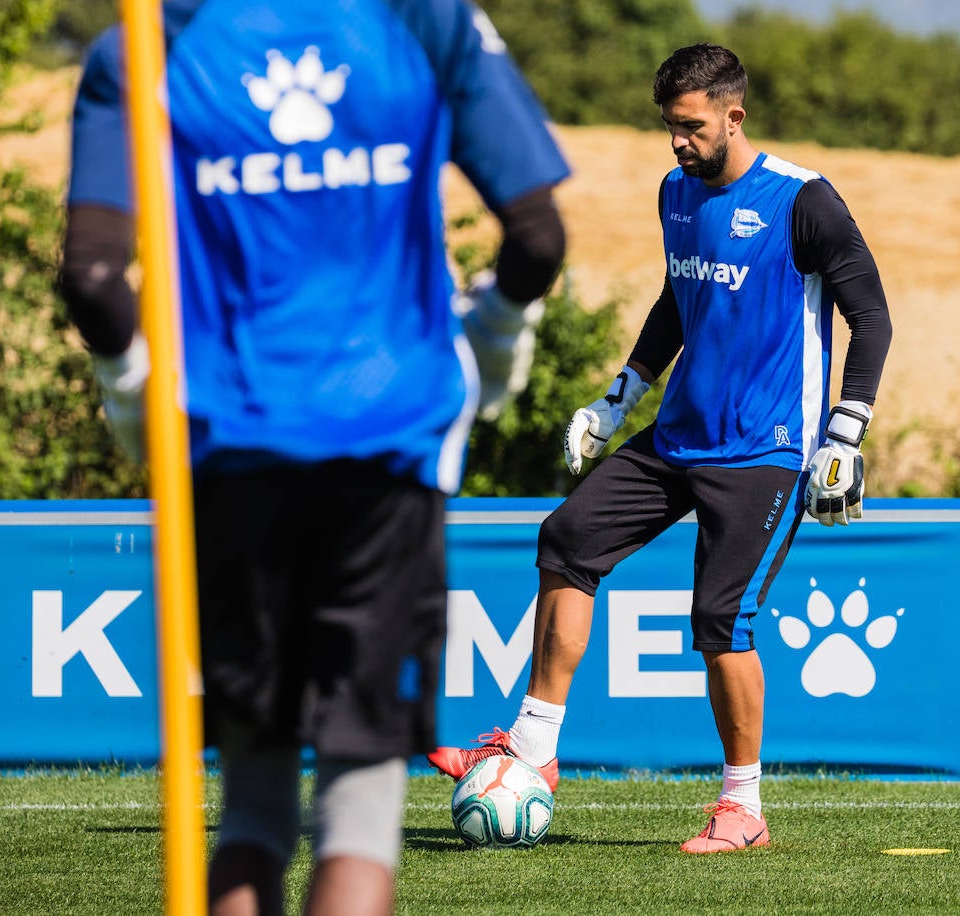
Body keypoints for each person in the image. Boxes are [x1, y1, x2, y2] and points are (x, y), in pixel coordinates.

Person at [58, 1, 568, 913]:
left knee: (253, 806)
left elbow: (94, 279)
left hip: (228, 450)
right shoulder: (424, 19)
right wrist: (491, 347)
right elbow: (538, 237)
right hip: (388, 449)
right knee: (360, 812)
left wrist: (139, 401)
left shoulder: (144, 40)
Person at [428, 42, 892, 854]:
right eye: (669, 127)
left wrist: (845, 433)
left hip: (765, 452)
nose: (678, 142)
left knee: (722, 620)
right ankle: (533, 747)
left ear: (732, 115)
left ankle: (742, 808)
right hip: (677, 438)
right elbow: (679, 302)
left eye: (690, 126)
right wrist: (618, 400)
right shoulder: (676, 192)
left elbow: (873, 316)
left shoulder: (803, 201)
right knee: (567, 539)